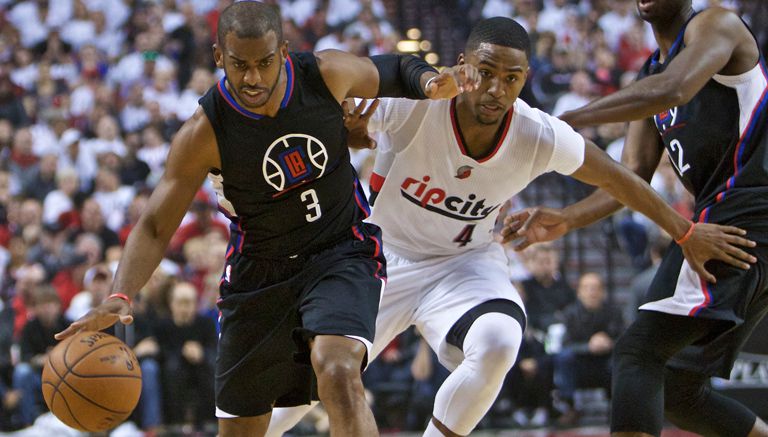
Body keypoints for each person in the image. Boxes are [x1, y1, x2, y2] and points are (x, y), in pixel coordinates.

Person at [267, 16, 756, 437]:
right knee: (288, 404)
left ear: (524, 80)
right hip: (379, 258)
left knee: (500, 339)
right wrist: (341, 127)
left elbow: (619, 177)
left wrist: (685, 231)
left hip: (462, 264)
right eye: (485, 73)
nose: (497, 89)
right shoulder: (415, 102)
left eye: (512, 78)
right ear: (463, 67)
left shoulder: (536, 132)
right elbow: (337, 122)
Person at [54, 2, 475, 436]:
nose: (252, 77)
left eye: (265, 63)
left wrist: (429, 82)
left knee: (338, 369)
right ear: (219, 57)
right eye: (239, 65)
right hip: (259, 271)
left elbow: (393, 68)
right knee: (243, 429)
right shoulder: (205, 132)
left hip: (340, 249)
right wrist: (120, 295)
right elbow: (156, 225)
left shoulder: (325, 74)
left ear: (284, 51)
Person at [503, 1, 768, 436]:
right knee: (678, 390)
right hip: (730, 224)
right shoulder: (649, 78)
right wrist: (567, 218)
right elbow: (631, 178)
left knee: (636, 353)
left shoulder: (715, 25)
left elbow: (675, 88)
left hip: (745, 213)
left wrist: (565, 119)